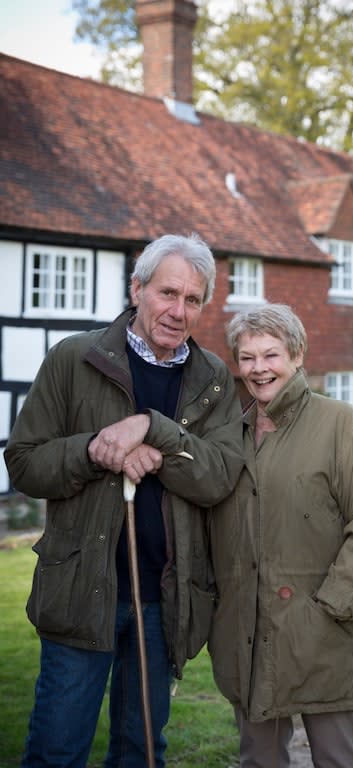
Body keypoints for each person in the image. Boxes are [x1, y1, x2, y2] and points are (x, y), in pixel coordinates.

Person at [4, 233, 244, 768]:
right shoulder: (74, 359)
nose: (177, 311)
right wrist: (96, 449)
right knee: (57, 750)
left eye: (192, 299)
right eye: (167, 293)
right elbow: (23, 462)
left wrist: (153, 432)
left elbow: (221, 475)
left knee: (140, 750)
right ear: (137, 289)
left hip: (164, 598)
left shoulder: (214, 382)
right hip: (80, 589)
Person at [208, 303, 353, 768]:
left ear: (297, 355)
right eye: (247, 357)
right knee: (259, 760)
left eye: (270, 355)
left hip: (321, 632)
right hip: (248, 635)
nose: (259, 368)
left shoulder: (341, 424)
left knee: (339, 758)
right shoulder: (231, 435)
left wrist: (333, 608)